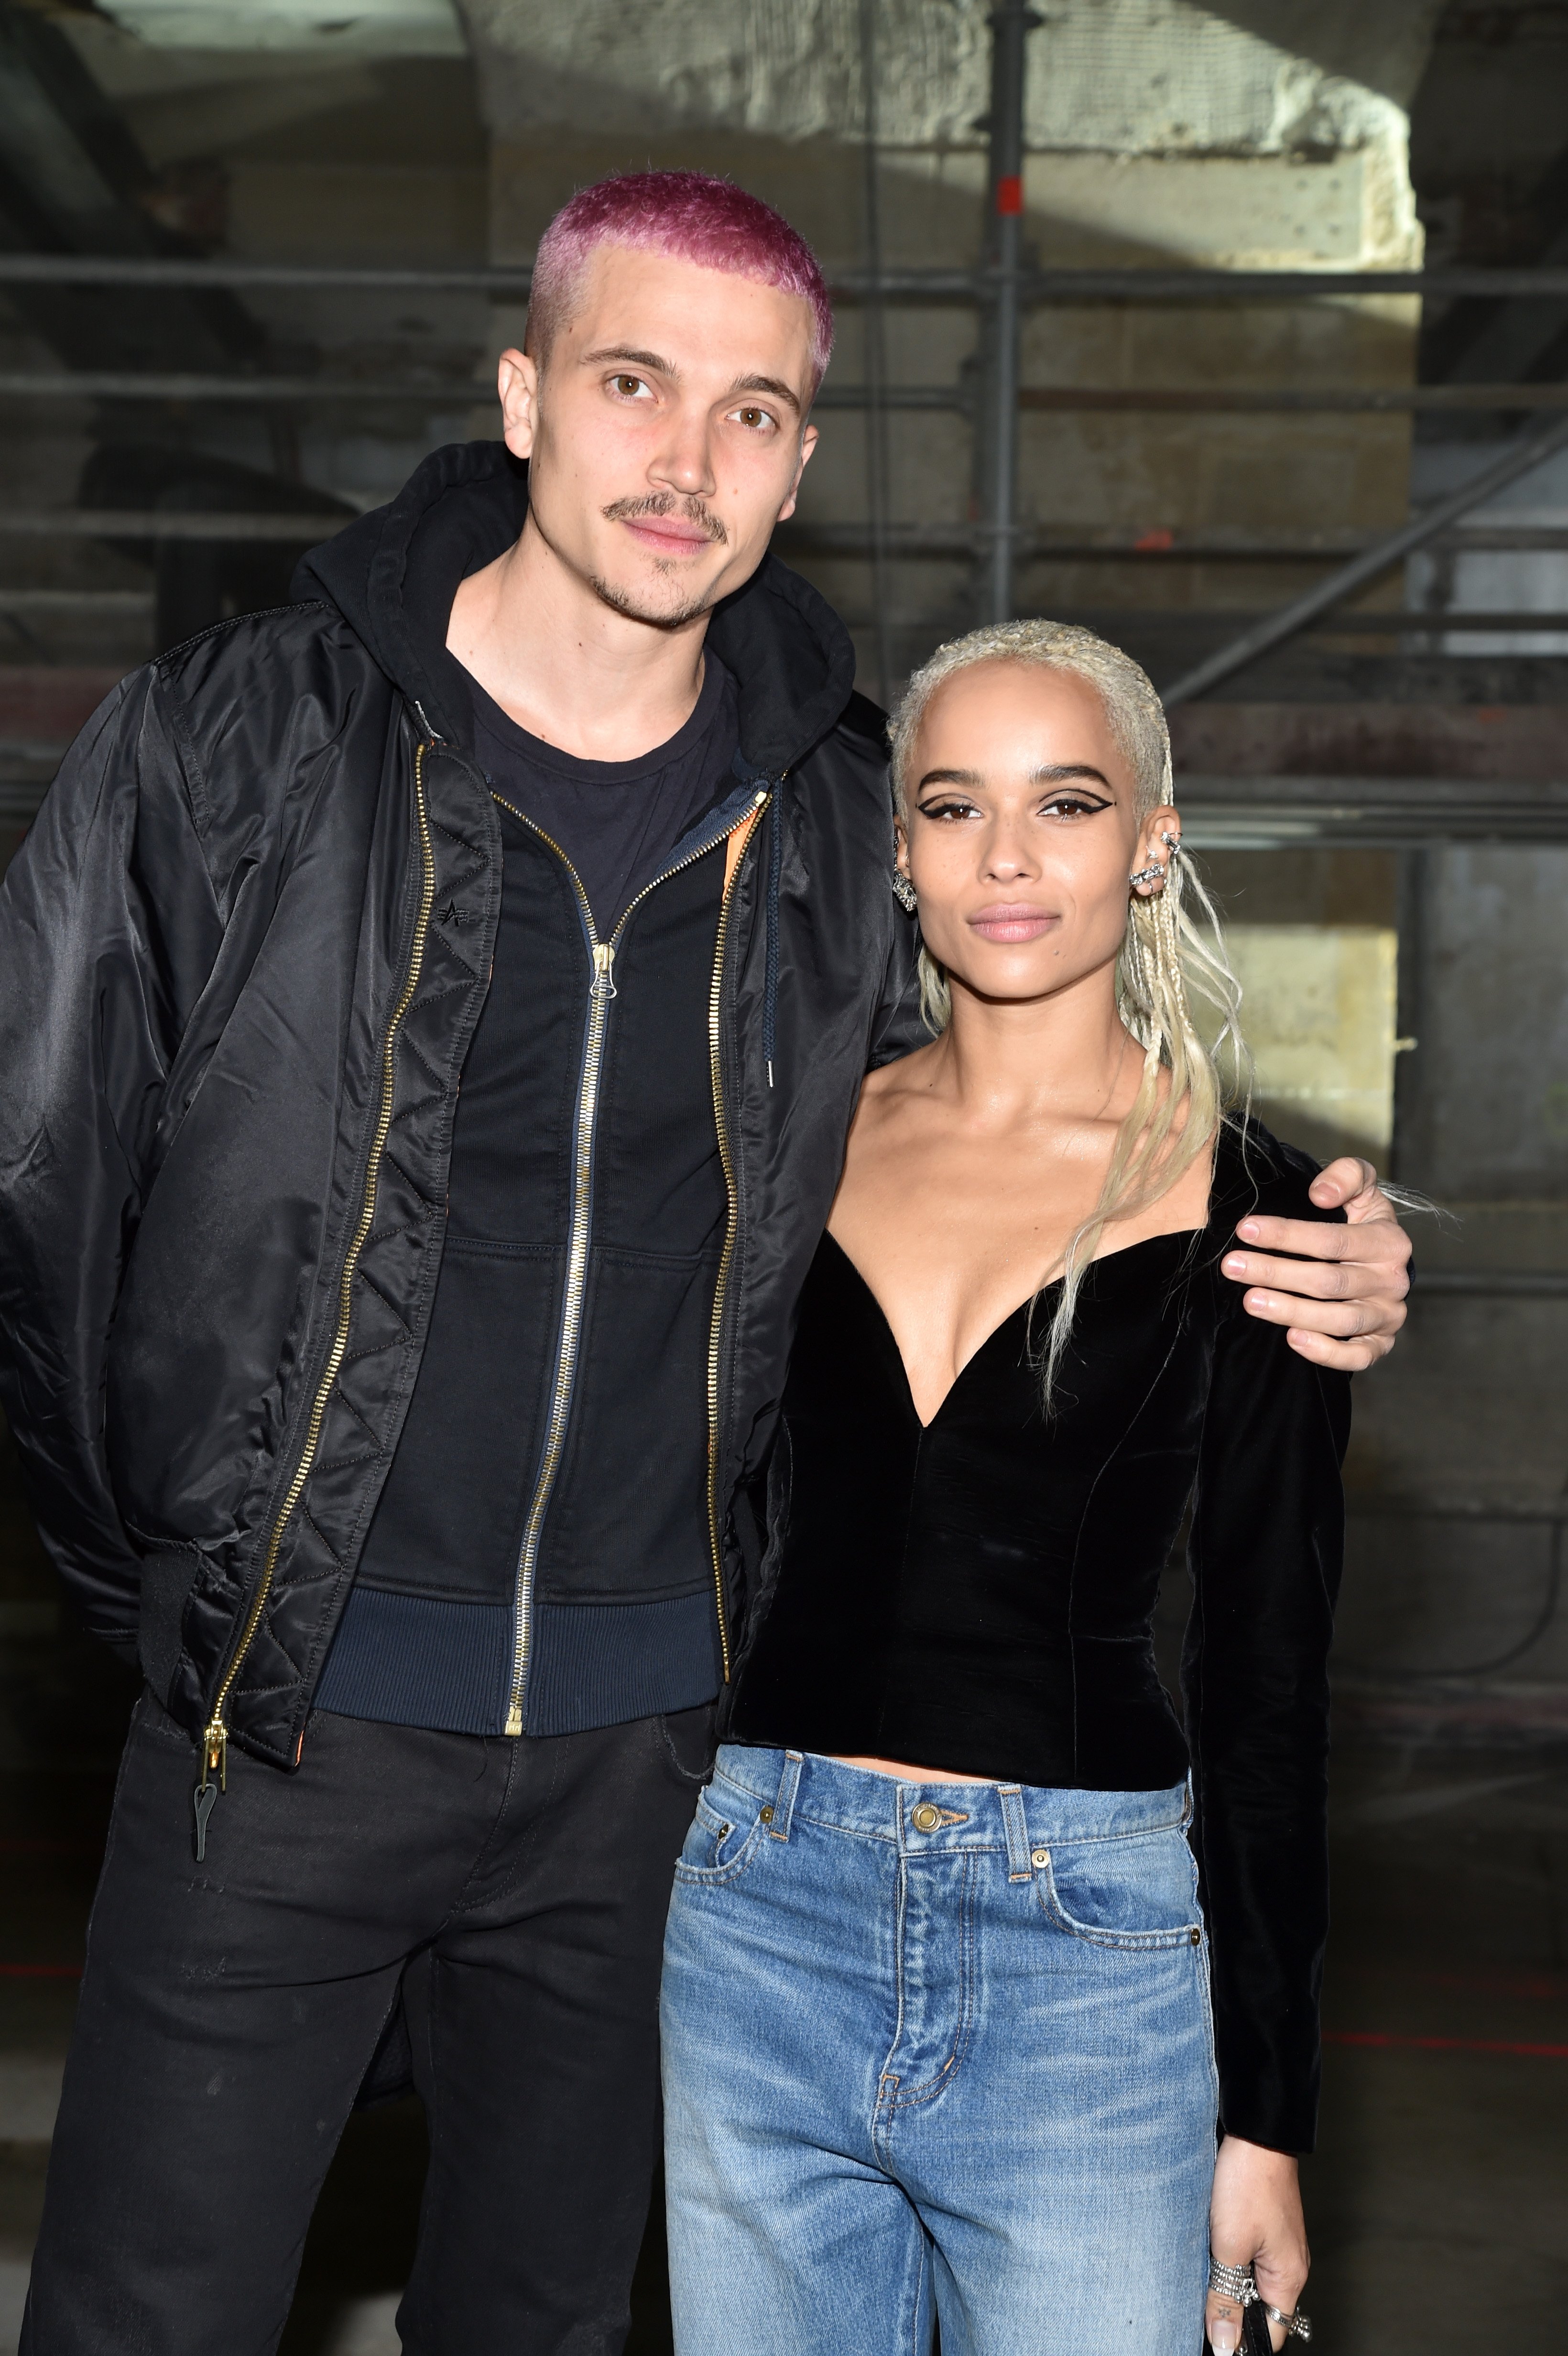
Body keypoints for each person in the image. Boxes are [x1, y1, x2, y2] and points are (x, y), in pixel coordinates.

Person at [0, 175, 1405, 2355]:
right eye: (634, 383)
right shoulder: (236, 744)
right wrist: (192, 1597)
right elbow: (38, 1185)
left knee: (548, 2318)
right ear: (521, 395)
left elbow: (1027, 1099)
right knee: (143, 2313)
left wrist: (1338, 1235)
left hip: (654, 1771)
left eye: (753, 412)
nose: (686, 460)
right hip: (279, 1730)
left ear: (804, 459)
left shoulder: (838, 818)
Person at [661, 622, 1345, 2356]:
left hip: (1086, 1965)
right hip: (753, 1915)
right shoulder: (787, 1139)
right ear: (900, 854)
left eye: (1069, 801)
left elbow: (1270, 1683)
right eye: (957, 808)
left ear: (1153, 838)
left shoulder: (1269, 1212)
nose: (1012, 859)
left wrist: (1267, 2120)